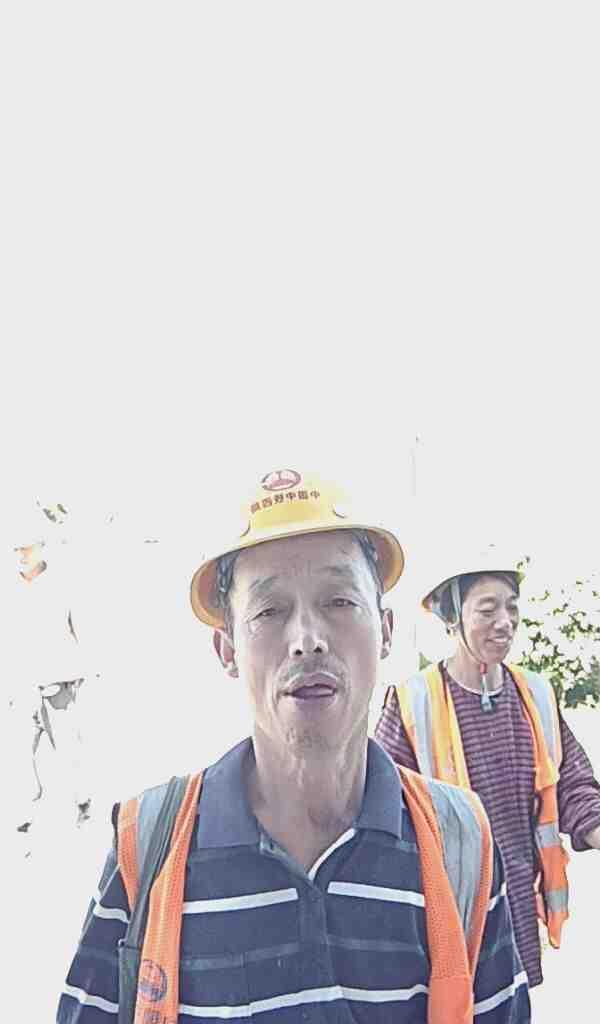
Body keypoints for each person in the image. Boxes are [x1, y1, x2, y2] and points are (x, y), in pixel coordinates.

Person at [57, 472, 530, 1023]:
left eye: (339, 600)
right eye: (269, 611)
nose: (308, 638)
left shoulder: (459, 841)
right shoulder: (148, 847)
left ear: (386, 630)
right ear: (227, 649)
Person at [375, 550, 600, 991]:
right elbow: (381, 808)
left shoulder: (535, 694)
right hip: (446, 918)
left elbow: (572, 785)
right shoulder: (412, 702)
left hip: (517, 909)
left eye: (512, 607)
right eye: (487, 609)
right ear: (451, 616)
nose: (505, 622)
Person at [8, 503, 92, 847]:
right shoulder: (10, 588)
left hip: (58, 681)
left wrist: (83, 671)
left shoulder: (60, 584)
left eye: (26, 549)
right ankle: (25, 811)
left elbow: (79, 626)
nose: (21, 555)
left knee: (67, 747)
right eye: (17, 549)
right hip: (20, 683)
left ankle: (83, 805)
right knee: (18, 749)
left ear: (41, 548)